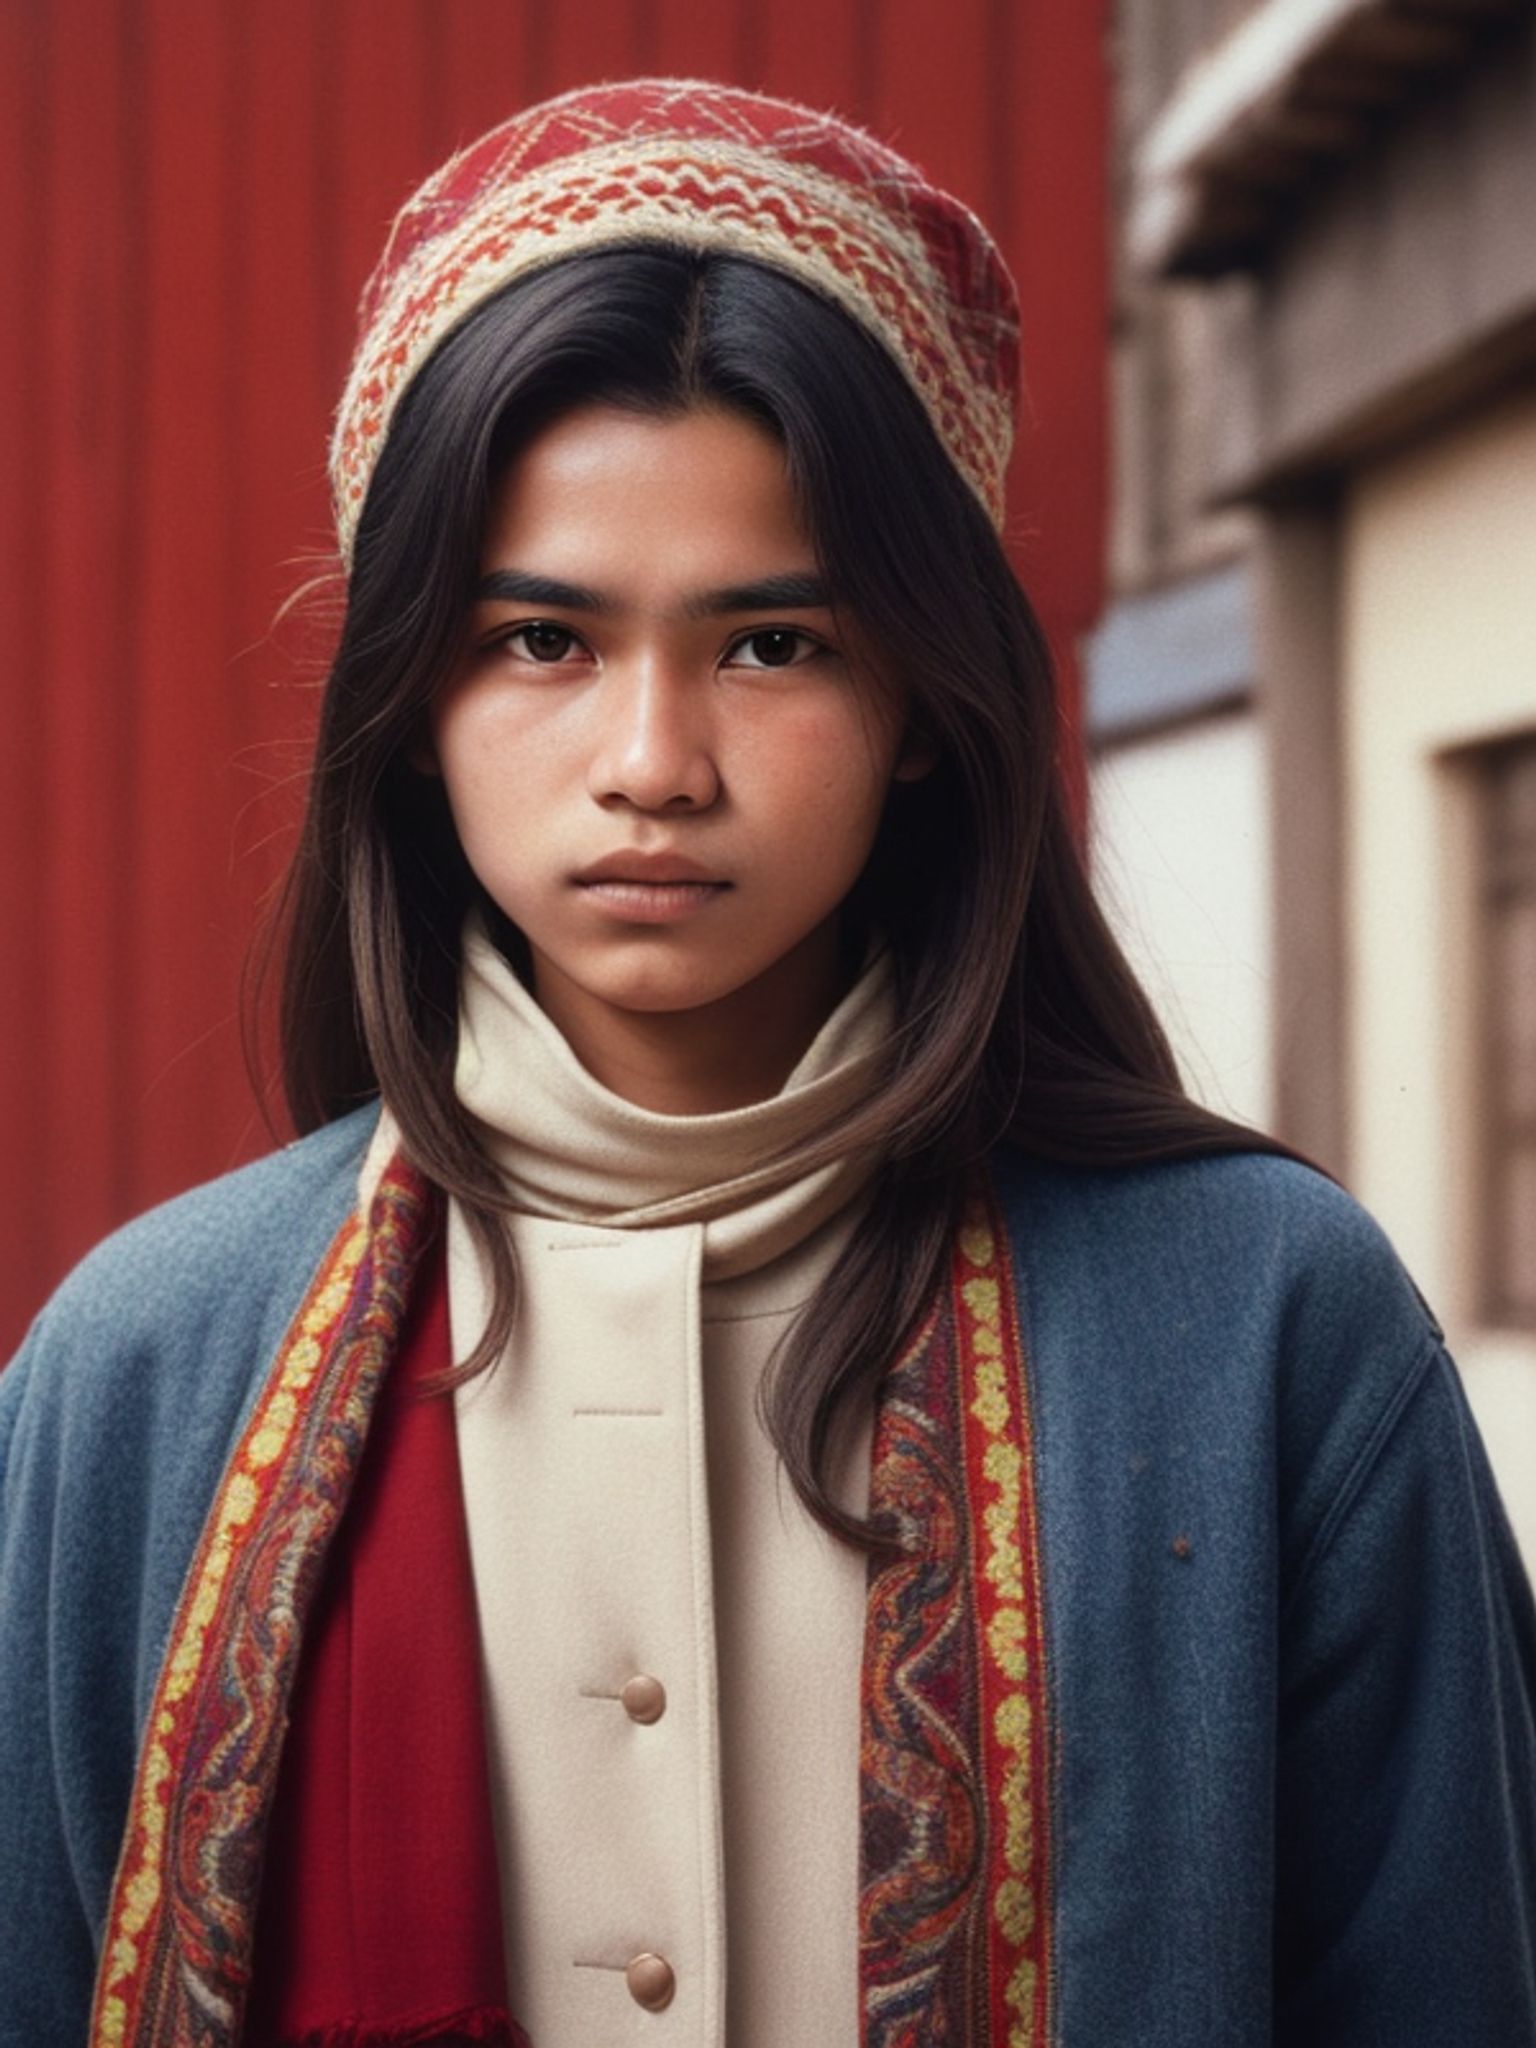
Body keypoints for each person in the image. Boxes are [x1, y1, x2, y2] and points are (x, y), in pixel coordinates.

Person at [1, 77, 1532, 2048]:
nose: (654, 760)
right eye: (543, 638)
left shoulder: (1263, 1337)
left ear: (920, 697)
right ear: (410, 699)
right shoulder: (134, 1378)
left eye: (773, 645)